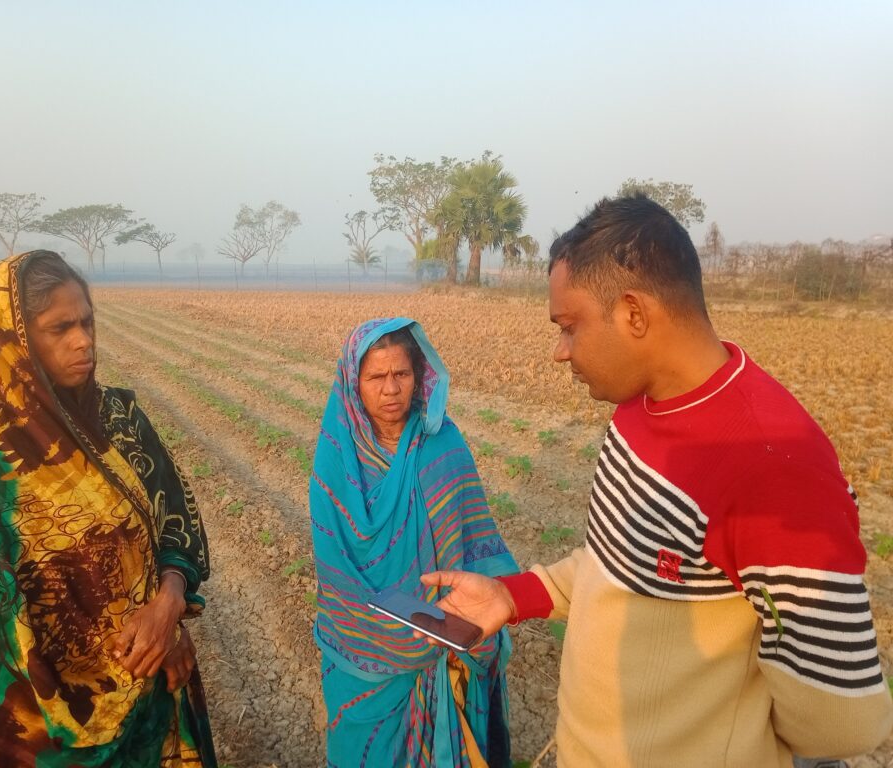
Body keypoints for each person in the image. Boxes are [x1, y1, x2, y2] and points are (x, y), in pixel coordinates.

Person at [422, 196, 893, 767]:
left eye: (569, 327)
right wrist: (512, 594)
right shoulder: (638, 410)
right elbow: (616, 565)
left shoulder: (774, 463)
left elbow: (840, 724)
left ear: (633, 314)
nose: (559, 352)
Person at [0, 251, 217, 767]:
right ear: (12, 342)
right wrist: (122, 669)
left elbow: (177, 524)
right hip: (58, 732)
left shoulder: (120, 417)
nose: (83, 340)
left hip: (157, 689)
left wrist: (169, 610)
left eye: (86, 321)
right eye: (59, 327)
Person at [310, 318, 518, 767]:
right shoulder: (335, 459)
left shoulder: (444, 445)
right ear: (353, 382)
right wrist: (393, 638)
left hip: (441, 646)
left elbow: (476, 538)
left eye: (400, 374)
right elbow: (335, 566)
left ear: (419, 375)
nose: (390, 389)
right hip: (362, 654)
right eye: (375, 377)